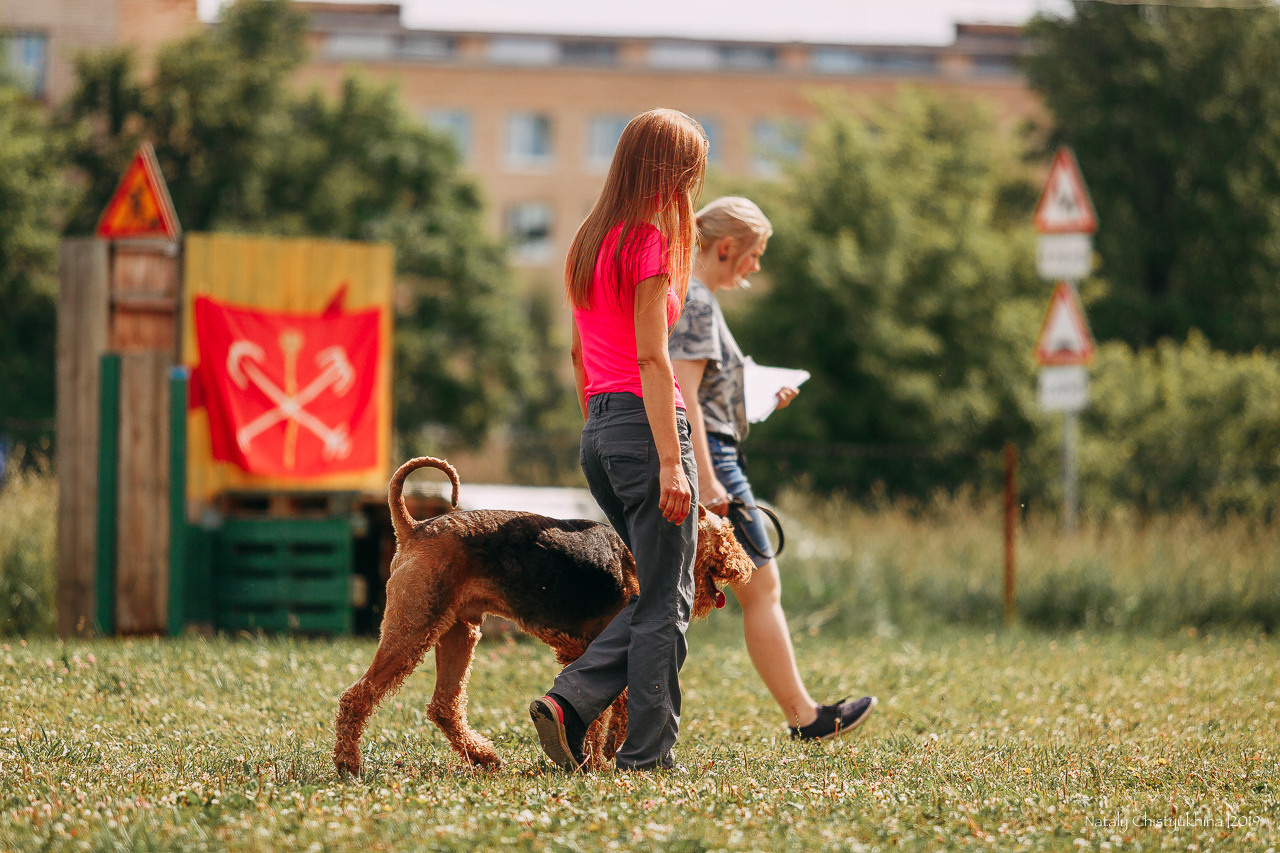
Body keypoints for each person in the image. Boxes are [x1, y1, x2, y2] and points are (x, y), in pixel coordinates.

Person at [529, 108, 707, 772]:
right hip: (645, 428)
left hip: (600, 429)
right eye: (690, 174)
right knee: (668, 599)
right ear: (673, 174)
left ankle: (571, 703)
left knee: (656, 590)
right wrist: (670, 461)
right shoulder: (649, 245)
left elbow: (579, 353)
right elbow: (654, 361)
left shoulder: (586, 241)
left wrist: (601, 426)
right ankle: (640, 753)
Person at [669, 196, 877, 741]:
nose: (756, 266)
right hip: (714, 461)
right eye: (755, 254)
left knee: (685, 592)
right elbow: (685, 398)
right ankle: (807, 719)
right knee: (759, 589)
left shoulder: (696, 298)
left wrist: (757, 396)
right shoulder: (696, 301)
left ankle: (804, 715)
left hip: (716, 450)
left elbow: (704, 394)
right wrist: (710, 481)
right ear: (727, 247)